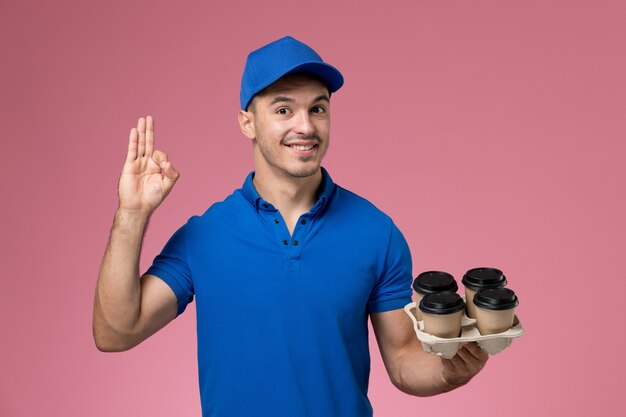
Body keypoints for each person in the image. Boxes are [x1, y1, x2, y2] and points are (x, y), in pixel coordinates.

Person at [93, 35, 488, 417]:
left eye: (317, 108)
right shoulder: (204, 237)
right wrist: (131, 213)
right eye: (284, 110)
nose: (305, 127)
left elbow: (403, 359)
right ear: (247, 123)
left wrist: (447, 371)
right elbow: (116, 332)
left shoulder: (377, 233)